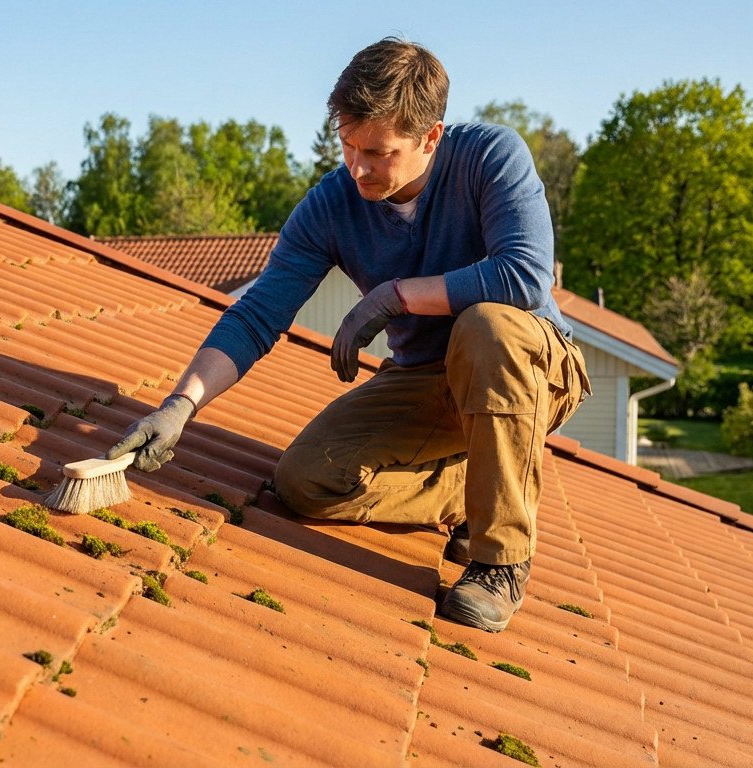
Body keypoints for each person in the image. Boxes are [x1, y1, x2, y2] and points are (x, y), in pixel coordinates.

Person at [106, 37, 589, 633]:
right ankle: (470, 487)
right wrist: (181, 406)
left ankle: (501, 560)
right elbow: (259, 312)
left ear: (430, 137)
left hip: (531, 367)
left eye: (379, 152)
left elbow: (523, 274)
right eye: (348, 145)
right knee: (305, 481)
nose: (358, 167)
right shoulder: (332, 204)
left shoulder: (491, 157)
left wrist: (396, 294)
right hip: (424, 382)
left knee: (486, 325)